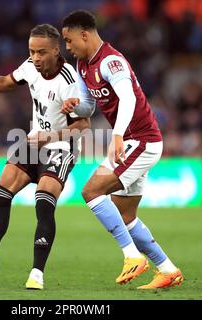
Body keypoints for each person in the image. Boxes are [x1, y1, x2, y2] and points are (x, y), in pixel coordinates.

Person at [0, 24, 92, 290]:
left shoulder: (70, 81)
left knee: (43, 202)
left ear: (56, 50)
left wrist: (50, 138)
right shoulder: (31, 65)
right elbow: (6, 82)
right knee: (2, 189)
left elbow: (83, 125)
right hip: (32, 140)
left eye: (41, 52)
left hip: (61, 147)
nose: (36, 57)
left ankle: (37, 274)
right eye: (32, 51)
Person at [61, 10, 184, 289]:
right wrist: (74, 106)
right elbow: (88, 106)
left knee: (91, 191)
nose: (67, 47)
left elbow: (127, 98)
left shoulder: (111, 61)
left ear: (85, 34)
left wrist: (116, 136)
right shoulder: (83, 65)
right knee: (125, 215)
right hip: (133, 141)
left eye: (69, 41)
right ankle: (167, 269)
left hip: (141, 139)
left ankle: (132, 256)